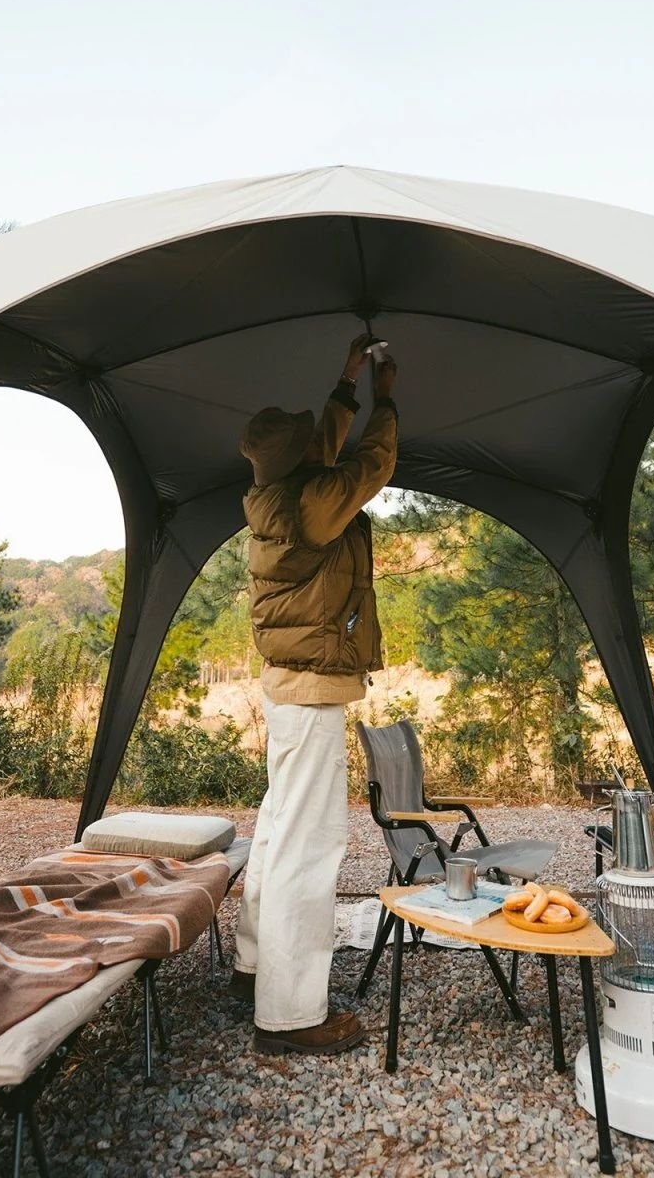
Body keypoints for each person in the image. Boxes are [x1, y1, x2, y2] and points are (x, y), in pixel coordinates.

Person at [232, 332, 398, 1055]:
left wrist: (348, 379)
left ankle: (254, 967)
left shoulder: (275, 495)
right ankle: (291, 1015)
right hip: (309, 692)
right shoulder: (311, 506)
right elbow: (370, 464)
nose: (316, 445)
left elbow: (325, 449)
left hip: (288, 688)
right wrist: (387, 396)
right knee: (310, 846)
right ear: (297, 461)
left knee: (277, 831)